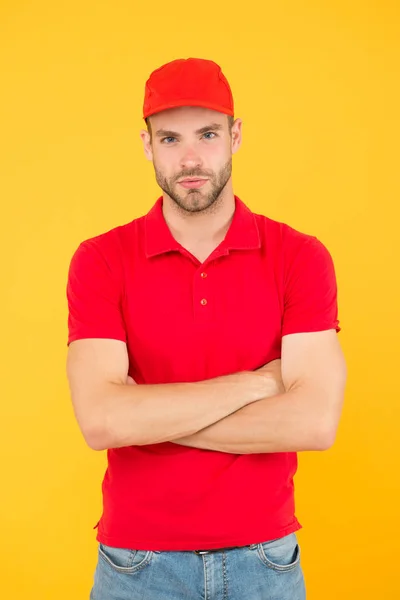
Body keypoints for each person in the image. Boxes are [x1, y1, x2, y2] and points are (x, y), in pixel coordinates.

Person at [66, 57, 347, 600]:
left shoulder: (299, 257)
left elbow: (314, 424)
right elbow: (101, 422)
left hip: (264, 561)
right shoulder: (101, 260)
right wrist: (259, 383)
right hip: (135, 566)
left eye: (208, 134)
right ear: (147, 145)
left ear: (235, 136)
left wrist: (142, 415)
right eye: (170, 138)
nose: (190, 158)